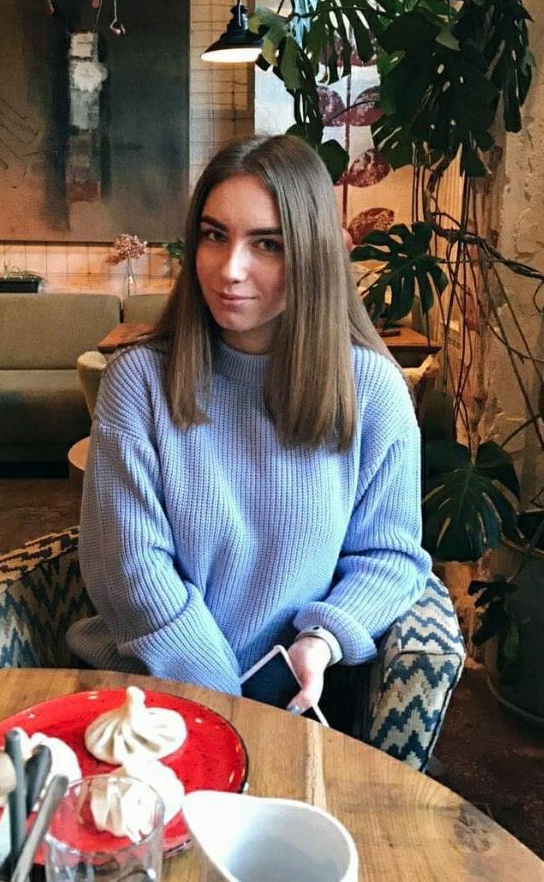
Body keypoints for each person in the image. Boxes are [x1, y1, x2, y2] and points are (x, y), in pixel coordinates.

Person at [67, 134, 431, 720]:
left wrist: (323, 638)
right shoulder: (138, 381)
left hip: (293, 704)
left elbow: (389, 555)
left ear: (311, 253)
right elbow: (130, 570)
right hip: (143, 701)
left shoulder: (372, 391)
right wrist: (231, 708)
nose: (230, 269)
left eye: (267, 244)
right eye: (214, 236)